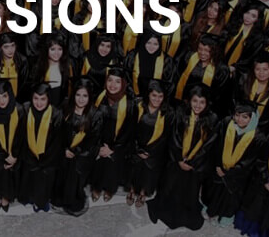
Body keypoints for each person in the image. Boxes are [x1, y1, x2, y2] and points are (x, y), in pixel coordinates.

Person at [148, 86, 218, 230]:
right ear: (189, 101)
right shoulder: (181, 113)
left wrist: (192, 162)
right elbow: (174, 137)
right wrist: (180, 159)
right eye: (195, 101)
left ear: (207, 103)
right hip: (176, 161)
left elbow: (208, 145)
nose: (198, 105)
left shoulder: (212, 118)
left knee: (189, 190)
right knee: (170, 186)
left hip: (196, 165)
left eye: (202, 102)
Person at [202, 101, 266, 227]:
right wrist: (218, 165)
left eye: (245, 117)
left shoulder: (258, 137)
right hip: (219, 167)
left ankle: (226, 215)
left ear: (252, 118)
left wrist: (228, 173)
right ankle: (211, 209)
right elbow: (216, 144)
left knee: (230, 196)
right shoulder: (226, 123)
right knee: (215, 190)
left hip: (238, 175)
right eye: (237, 115)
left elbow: (249, 161)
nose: (239, 119)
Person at [53, 78, 102, 216]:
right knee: (61, 178)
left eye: (85, 96)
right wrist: (64, 149)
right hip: (64, 152)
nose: (81, 99)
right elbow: (57, 130)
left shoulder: (95, 114)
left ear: (90, 97)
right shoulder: (65, 106)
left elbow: (93, 139)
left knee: (74, 181)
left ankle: (72, 201)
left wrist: (75, 151)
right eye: (78, 95)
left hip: (81, 155)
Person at [17, 83, 64, 212]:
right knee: (29, 177)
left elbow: (57, 141)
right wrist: (28, 155)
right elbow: (21, 135)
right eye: (35, 98)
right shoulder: (26, 109)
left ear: (49, 99)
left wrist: (44, 159)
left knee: (44, 179)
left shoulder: (56, 114)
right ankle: (28, 198)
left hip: (48, 157)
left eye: (43, 99)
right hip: (29, 154)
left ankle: (42, 201)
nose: (38, 103)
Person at [90, 68, 133, 203]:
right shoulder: (99, 97)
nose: (112, 85)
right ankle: (96, 187)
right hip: (99, 141)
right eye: (110, 80)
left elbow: (129, 130)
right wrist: (98, 146)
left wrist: (113, 148)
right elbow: (92, 121)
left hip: (117, 144)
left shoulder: (129, 103)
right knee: (98, 167)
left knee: (112, 169)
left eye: (117, 82)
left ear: (123, 84)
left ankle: (110, 189)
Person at [127, 80, 171, 208]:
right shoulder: (139, 106)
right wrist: (137, 149)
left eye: (160, 96)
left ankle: (143, 193)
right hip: (136, 147)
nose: (157, 99)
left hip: (155, 151)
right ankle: (131, 190)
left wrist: (150, 152)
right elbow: (130, 128)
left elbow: (165, 137)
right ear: (148, 95)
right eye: (154, 95)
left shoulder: (168, 113)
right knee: (134, 170)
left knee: (148, 173)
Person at [0, 80, 25, 212]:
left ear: (10, 95)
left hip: (13, 150)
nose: (1, 101)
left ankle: (6, 195)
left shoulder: (19, 109)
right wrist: (4, 155)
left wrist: (14, 155)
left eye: (5, 96)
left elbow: (21, 134)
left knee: (8, 172)